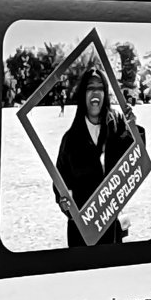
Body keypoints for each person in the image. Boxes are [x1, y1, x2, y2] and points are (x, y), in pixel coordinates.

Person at [51, 66, 135, 248]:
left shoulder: (118, 124)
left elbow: (134, 159)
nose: (95, 92)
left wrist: (133, 129)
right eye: (90, 88)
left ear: (105, 93)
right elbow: (60, 182)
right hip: (81, 228)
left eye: (100, 87)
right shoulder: (70, 139)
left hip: (110, 223)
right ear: (83, 94)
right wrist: (64, 202)